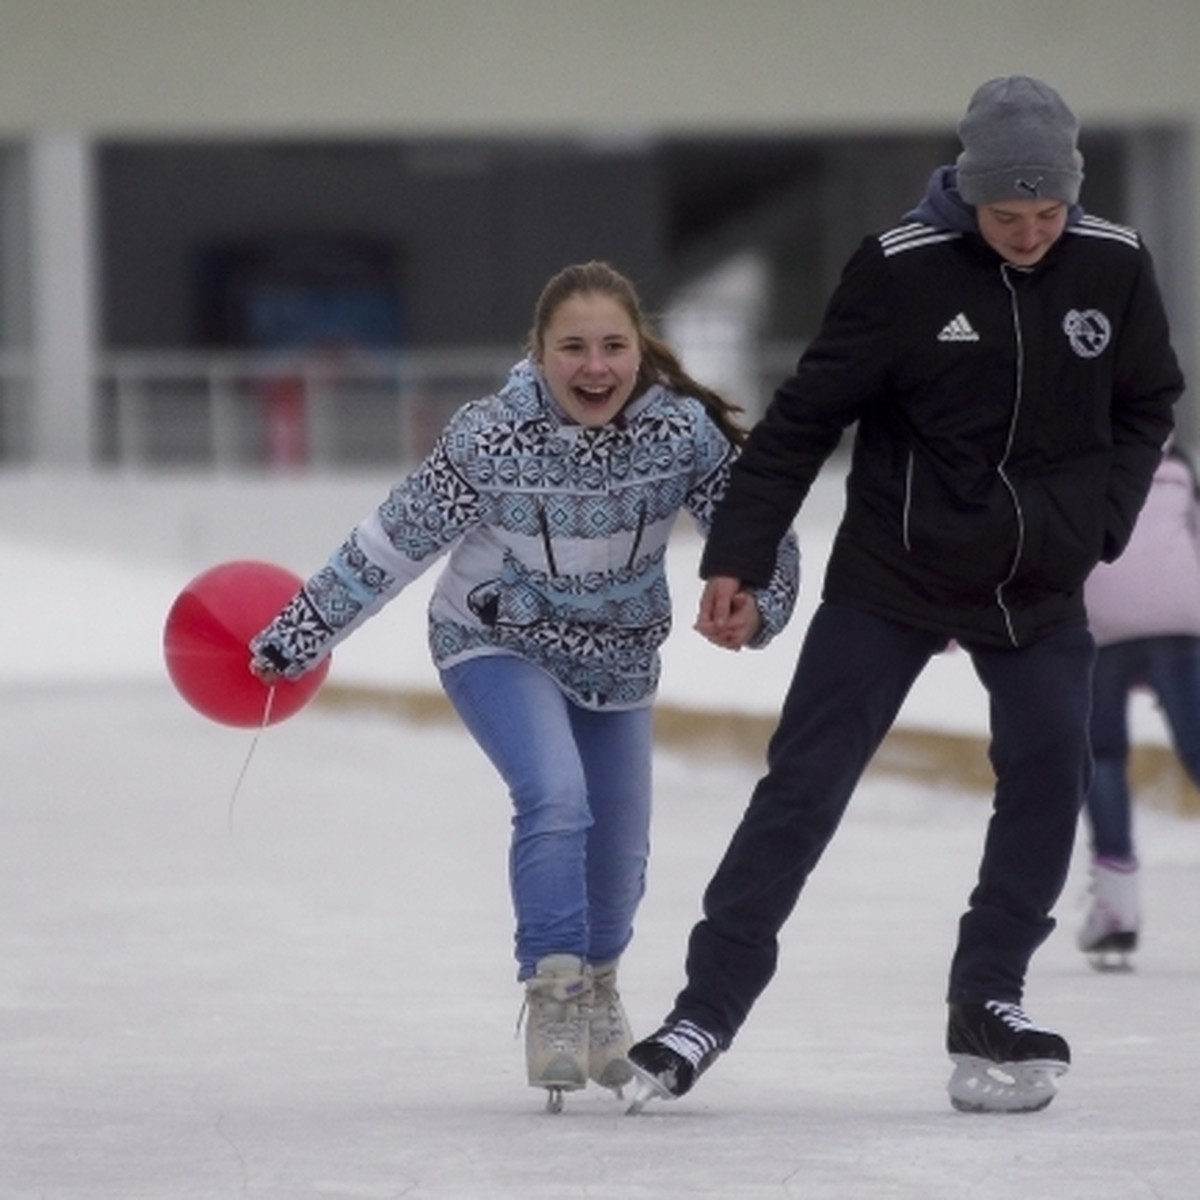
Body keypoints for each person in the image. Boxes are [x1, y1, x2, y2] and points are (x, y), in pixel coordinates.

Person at [626, 76, 1183, 1115]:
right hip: (899, 569)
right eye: (1006, 215)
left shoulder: (1113, 262)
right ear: (965, 195)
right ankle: (708, 1006)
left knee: (1049, 772)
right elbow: (801, 424)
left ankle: (990, 997)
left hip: (1041, 581)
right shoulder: (901, 271)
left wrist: (1099, 522)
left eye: (1047, 213)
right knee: (805, 783)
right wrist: (735, 559)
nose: (1028, 234)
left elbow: (1150, 395)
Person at [247, 260, 799, 1110]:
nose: (595, 367)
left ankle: (601, 981)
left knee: (620, 857)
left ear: (638, 351)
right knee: (554, 796)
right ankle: (554, 996)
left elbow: (759, 524)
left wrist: (757, 603)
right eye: (572, 347)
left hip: (616, 661)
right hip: (492, 640)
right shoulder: (487, 436)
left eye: (613, 346)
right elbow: (389, 543)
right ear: (539, 355)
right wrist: (301, 629)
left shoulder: (679, 434)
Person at [1079, 444, 1200, 969]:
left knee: (1102, 755)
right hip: (1180, 615)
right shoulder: (1178, 464)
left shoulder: (1070, 451)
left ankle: (1116, 908)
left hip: (1102, 616)